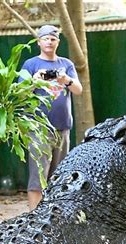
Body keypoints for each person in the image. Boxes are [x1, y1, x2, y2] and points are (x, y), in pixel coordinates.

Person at [20, 24, 83, 210]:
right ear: (39, 42)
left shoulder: (67, 64)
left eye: (53, 38)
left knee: (59, 177)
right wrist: (35, 81)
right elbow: (20, 94)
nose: (49, 41)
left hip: (62, 128)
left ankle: (53, 218)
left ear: (58, 42)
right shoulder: (30, 65)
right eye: (45, 38)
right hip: (38, 129)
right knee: (38, 177)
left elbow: (78, 90)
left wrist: (66, 80)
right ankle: (34, 219)